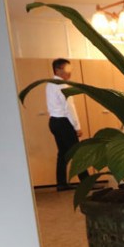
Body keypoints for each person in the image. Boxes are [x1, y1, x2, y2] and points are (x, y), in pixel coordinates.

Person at [45, 58, 87, 191]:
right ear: (57, 70)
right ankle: (86, 182)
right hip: (64, 122)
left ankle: (61, 183)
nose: (70, 72)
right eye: (67, 69)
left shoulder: (50, 84)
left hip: (54, 121)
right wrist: (77, 127)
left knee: (63, 153)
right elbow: (69, 108)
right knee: (77, 152)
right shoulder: (62, 86)